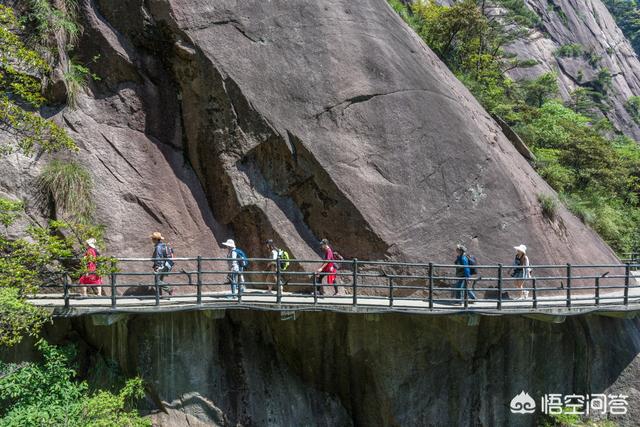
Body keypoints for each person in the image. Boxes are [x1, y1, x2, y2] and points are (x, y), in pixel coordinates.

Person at [151, 232, 174, 296]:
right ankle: (159, 296)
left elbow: (158, 258)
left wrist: (157, 267)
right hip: (167, 265)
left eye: (152, 238)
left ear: (155, 239)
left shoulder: (158, 247)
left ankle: (169, 289)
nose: (152, 240)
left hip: (162, 266)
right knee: (160, 280)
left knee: (157, 281)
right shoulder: (164, 245)